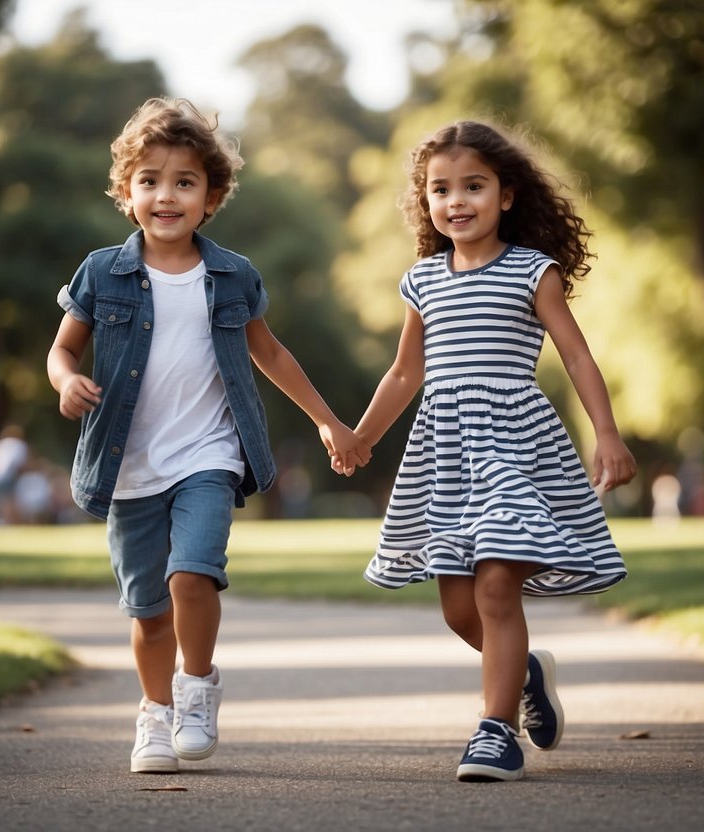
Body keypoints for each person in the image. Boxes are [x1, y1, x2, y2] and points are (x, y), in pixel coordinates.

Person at [47, 97, 369, 776]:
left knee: (193, 575)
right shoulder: (101, 272)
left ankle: (196, 689)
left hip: (209, 456)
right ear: (127, 193)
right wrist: (64, 381)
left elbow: (271, 355)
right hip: (128, 463)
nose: (166, 195)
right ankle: (154, 715)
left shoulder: (231, 275)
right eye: (150, 181)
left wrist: (327, 421)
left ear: (211, 197)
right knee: (148, 609)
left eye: (185, 181)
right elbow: (61, 350)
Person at [340, 119, 636, 782]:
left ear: (505, 195)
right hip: (444, 453)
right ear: (426, 202)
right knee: (459, 608)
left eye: (472, 185)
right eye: (440, 189)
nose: (456, 200)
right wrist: (362, 436)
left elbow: (577, 355)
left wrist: (607, 432)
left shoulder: (534, 272)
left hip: (514, 446)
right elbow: (404, 375)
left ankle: (494, 730)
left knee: (498, 583)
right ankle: (524, 671)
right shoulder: (422, 281)